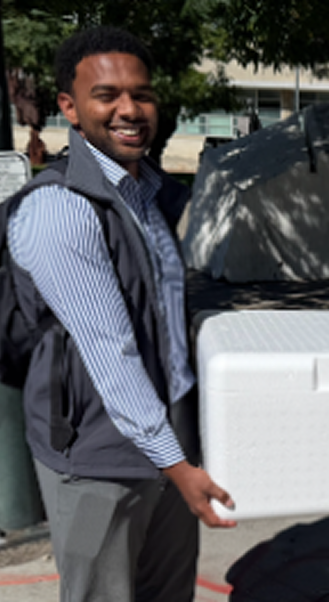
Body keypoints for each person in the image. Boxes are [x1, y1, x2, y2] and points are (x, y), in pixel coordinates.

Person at [7, 26, 235, 602]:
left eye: (143, 94)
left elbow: (167, 328)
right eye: (107, 95)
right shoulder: (59, 210)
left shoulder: (149, 194)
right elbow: (112, 353)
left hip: (171, 445)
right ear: (70, 108)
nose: (129, 109)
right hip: (96, 459)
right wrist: (179, 467)